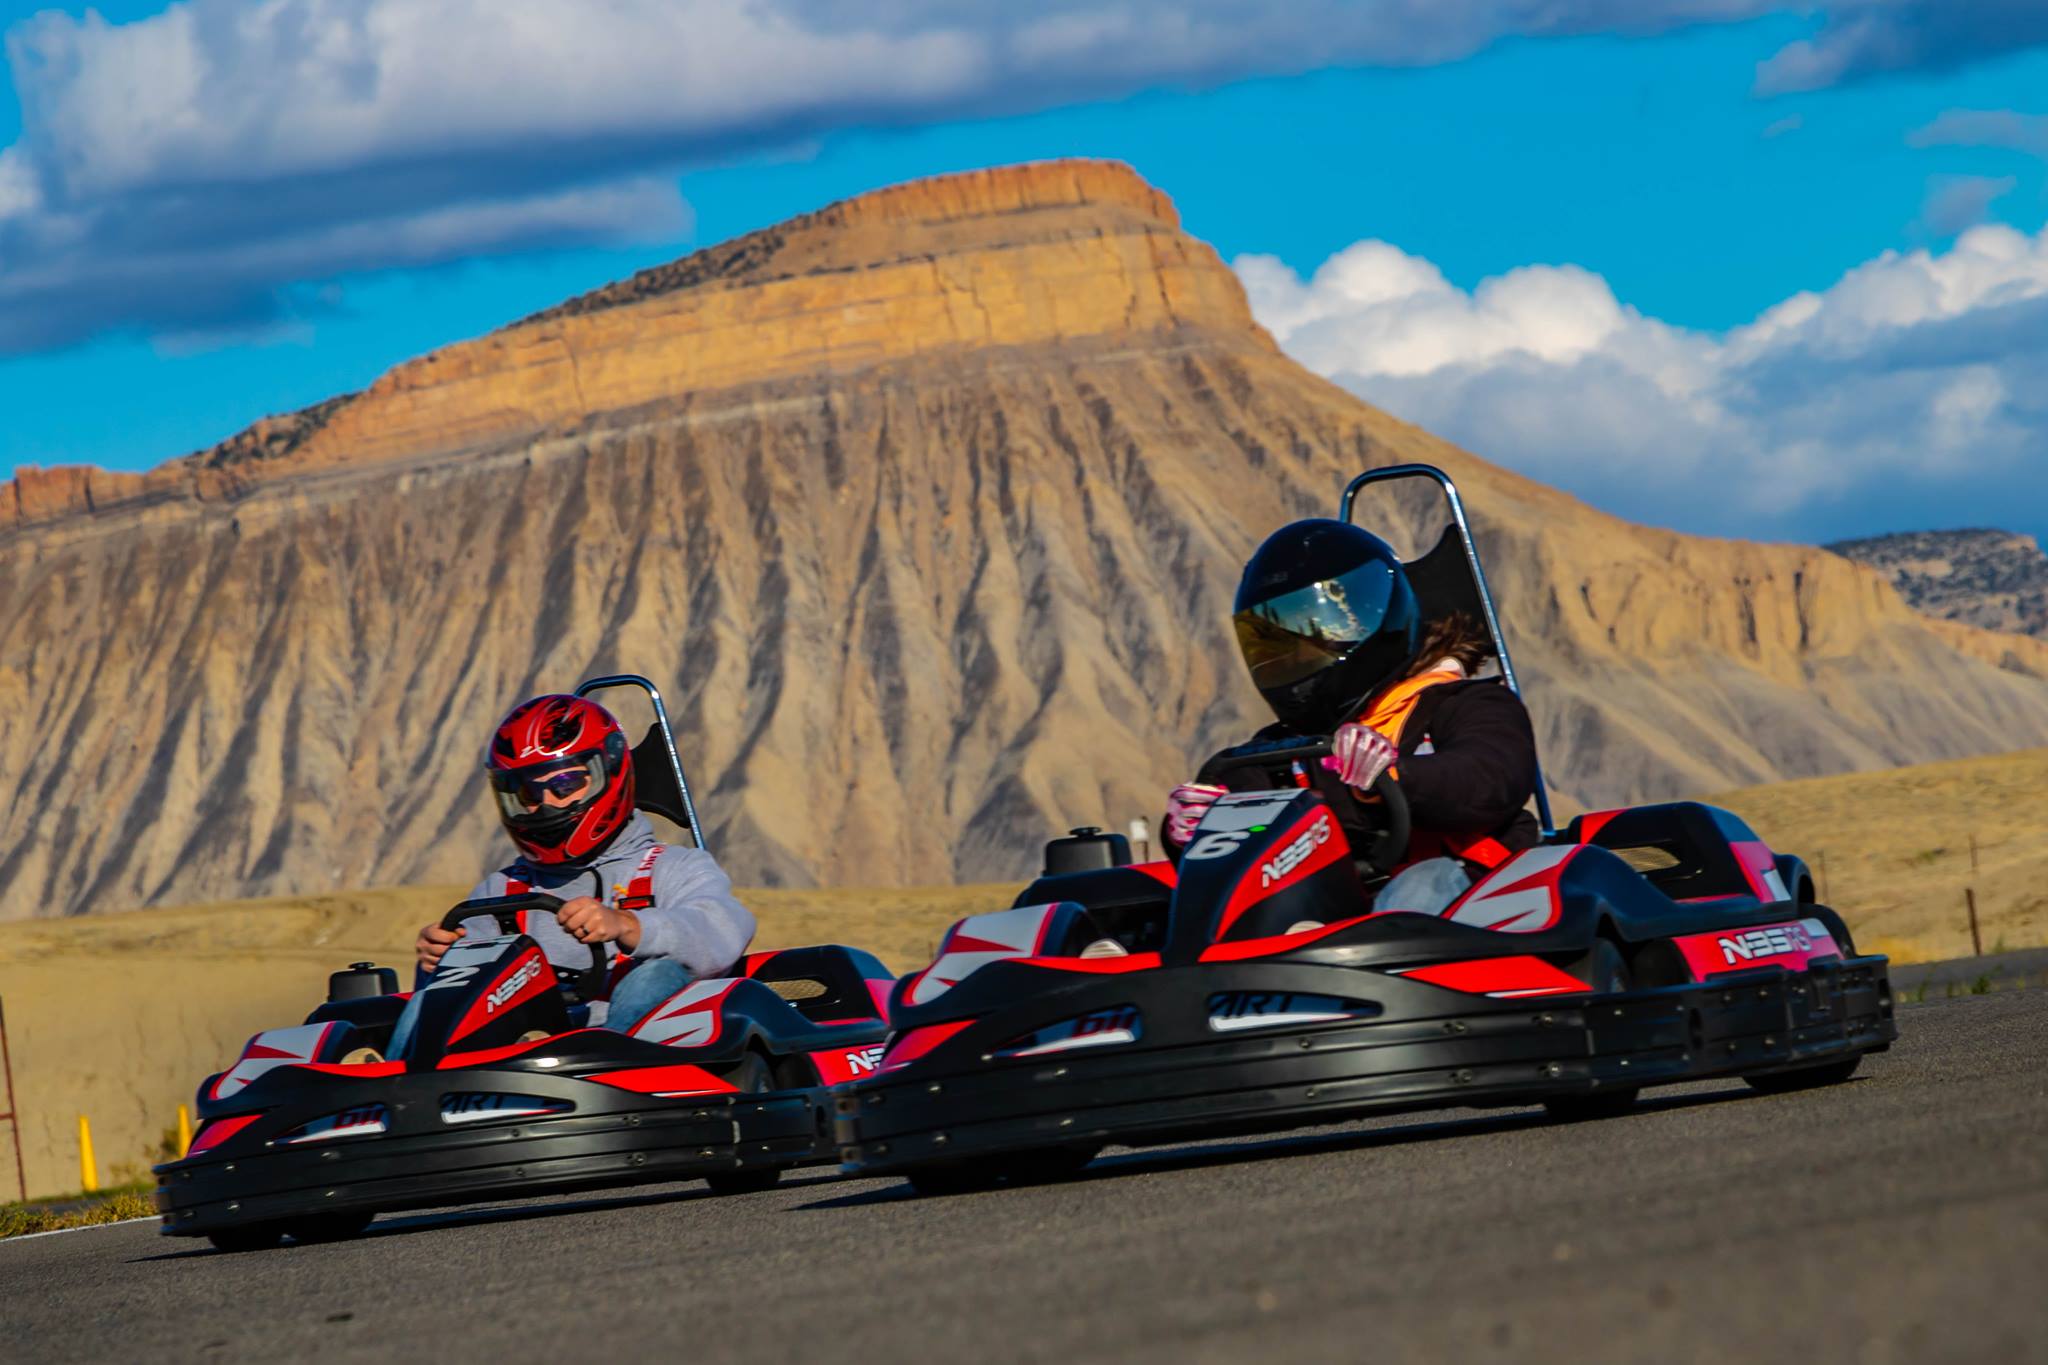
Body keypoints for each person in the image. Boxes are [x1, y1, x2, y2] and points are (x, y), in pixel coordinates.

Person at [1166, 519, 1539, 914]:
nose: (1295, 658)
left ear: (1371, 617)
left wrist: (1392, 776)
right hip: (1348, 921)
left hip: (1473, 898)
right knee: (1142, 897)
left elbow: (1491, 779)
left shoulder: (1467, 704)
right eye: (1277, 645)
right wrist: (1199, 825)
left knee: (1417, 888)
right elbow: (1243, 789)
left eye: (1310, 637)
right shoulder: (1285, 747)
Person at [389, 694, 754, 1057]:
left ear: (607, 774)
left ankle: (613, 1068)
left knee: (652, 976)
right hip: (517, 1064)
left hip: (642, 1069)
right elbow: (461, 1002)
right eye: (529, 792)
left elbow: (725, 928)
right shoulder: (498, 892)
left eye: (564, 784)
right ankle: (393, 1096)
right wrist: (439, 960)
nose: (546, 803)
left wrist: (629, 925)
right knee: (425, 1001)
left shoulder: (673, 867)